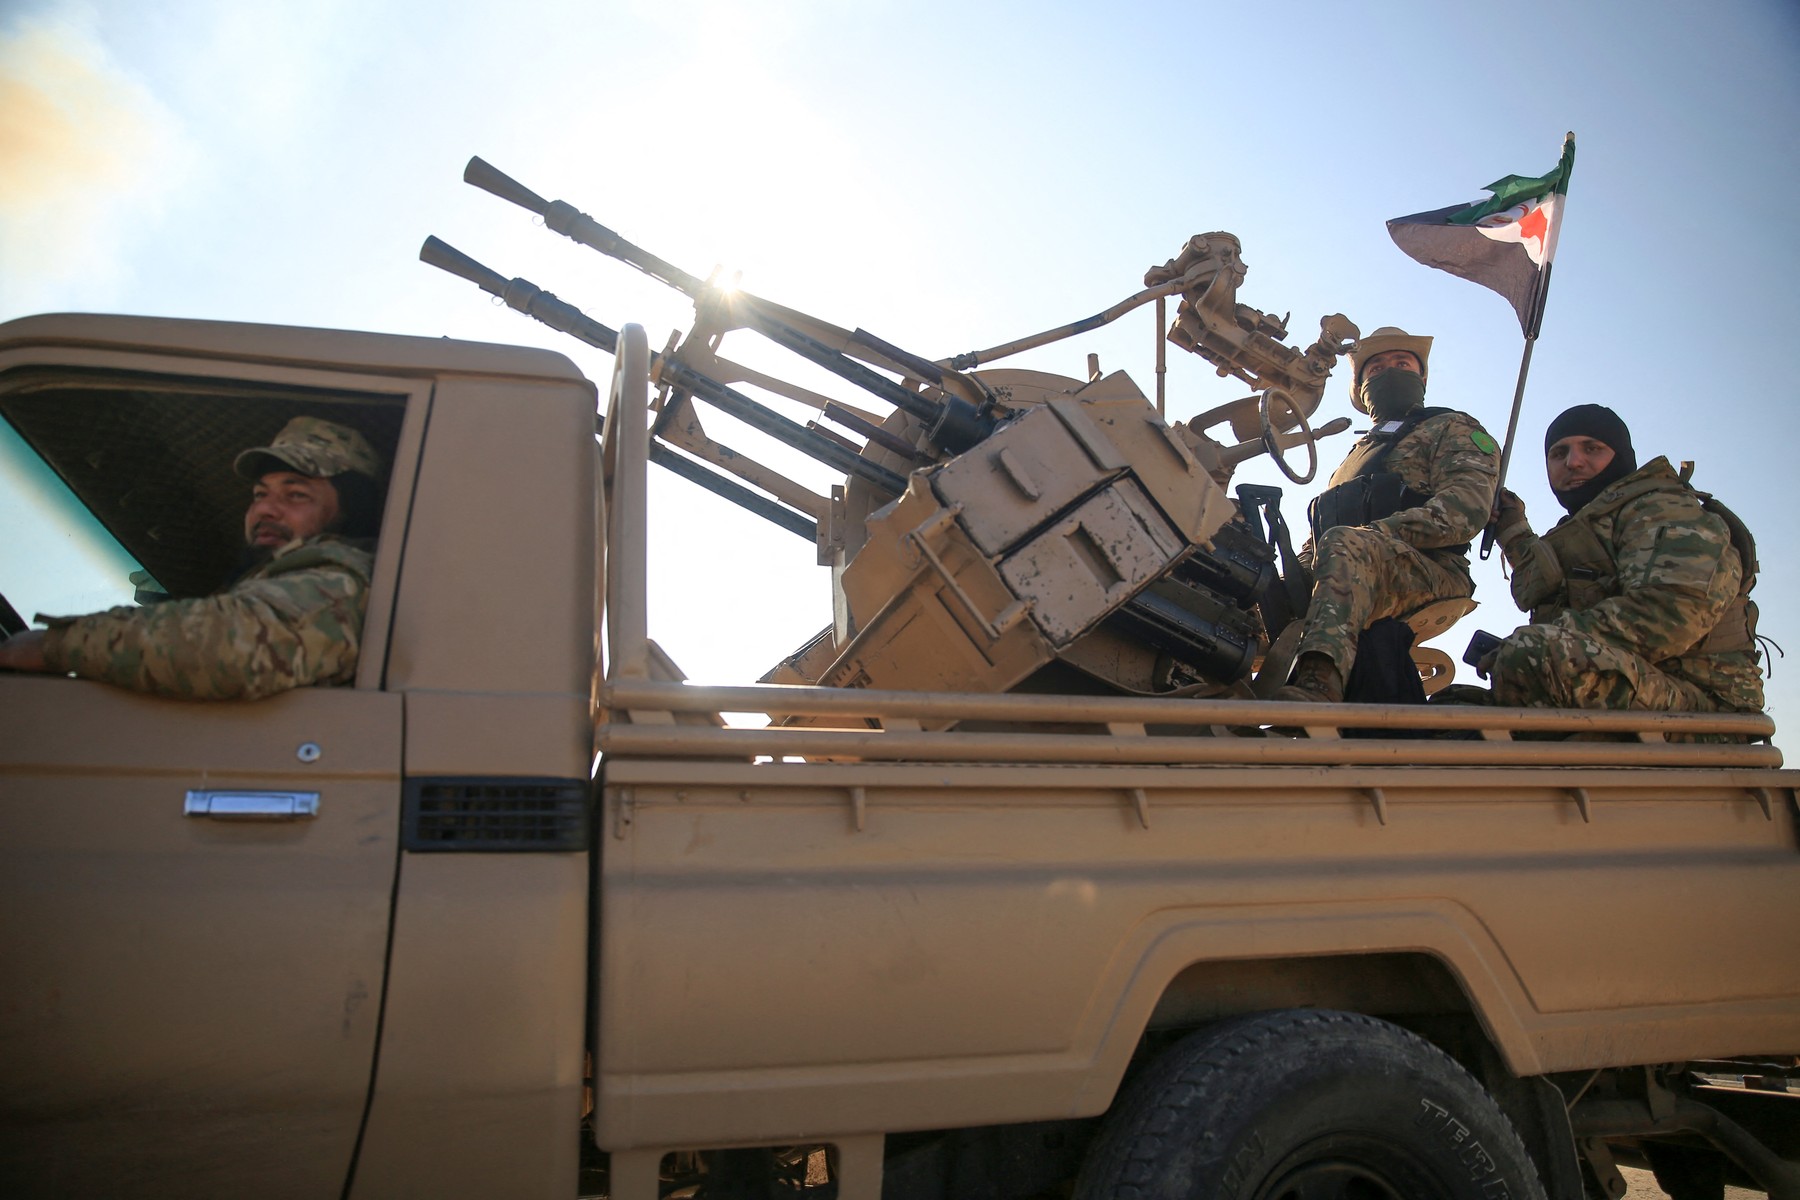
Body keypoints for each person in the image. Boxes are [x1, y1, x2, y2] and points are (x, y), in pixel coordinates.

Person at [0, 416, 385, 700]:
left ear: (351, 512)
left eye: (295, 494)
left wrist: (56, 647)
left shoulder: (342, 574)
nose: (266, 509)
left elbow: (236, 646)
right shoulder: (281, 576)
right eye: (259, 494)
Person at [1272, 327, 1501, 703]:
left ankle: (1317, 686)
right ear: (1360, 388)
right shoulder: (1355, 456)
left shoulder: (1450, 427)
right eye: (1375, 368)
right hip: (1350, 562)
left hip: (1431, 569)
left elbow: (1466, 508)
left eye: (1402, 364)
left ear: (1421, 377)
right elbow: (1320, 538)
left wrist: (1375, 534)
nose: (1389, 372)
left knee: (1347, 543)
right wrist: (1289, 577)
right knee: (1255, 587)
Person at [1487, 404, 1762, 713]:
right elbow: (1547, 582)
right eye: (1559, 453)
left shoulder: (1661, 509)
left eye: (1592, 448)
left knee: (1529, 655)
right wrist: (1512, 531)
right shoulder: (1589, 525)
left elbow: (1667, 615)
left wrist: (1534, 643)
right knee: (1451, 710)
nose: (1574, 462)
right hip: (1636, 683)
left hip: (1704, 700)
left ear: (1621, 456)